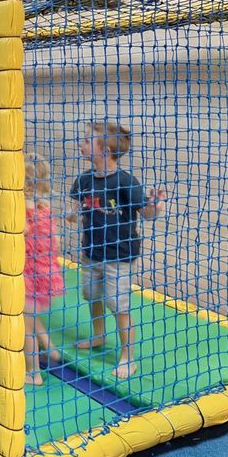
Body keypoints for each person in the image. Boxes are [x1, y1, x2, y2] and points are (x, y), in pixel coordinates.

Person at [68, 119, 166, 380]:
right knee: (91, 295)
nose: (81, 143)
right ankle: (99, 335)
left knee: (118, 305)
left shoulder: (125, 181)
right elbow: (76, 208)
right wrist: (71, 215)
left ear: (105, 151)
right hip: (91, 253)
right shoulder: (85, 179)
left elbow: (145, 213)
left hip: (119, 257)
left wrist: (154, 207)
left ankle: (128, 357)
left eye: (87, 140)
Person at [22, 152, 65, 385]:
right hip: (47, 275)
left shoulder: (24, 210)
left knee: (25, 326)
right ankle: (51, 347)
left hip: (29, 275)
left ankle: (33, 373)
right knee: (31, 313)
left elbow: (21, 234)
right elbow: (56, 243)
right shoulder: (45, 208)